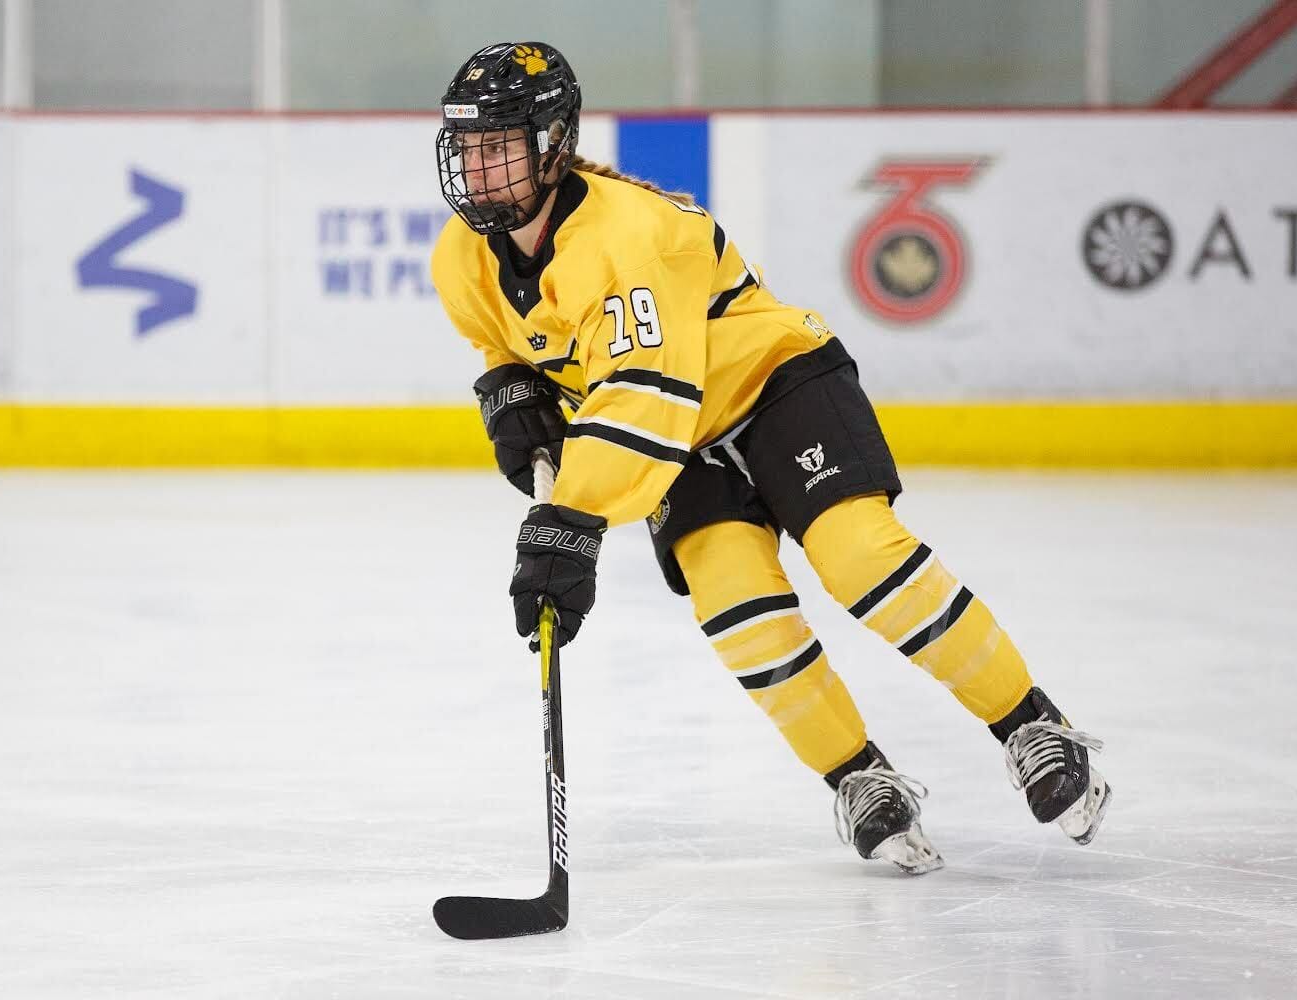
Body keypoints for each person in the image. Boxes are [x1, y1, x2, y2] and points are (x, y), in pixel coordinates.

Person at [429, 41, 1110, 875]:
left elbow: (643, 396)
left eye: (500, 145)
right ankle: (858, 776)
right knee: (737, 607)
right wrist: (512, 396)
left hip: (775, 386)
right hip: (680, 441)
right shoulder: (458, 258)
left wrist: (571, 521)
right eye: (468, 146)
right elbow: (504, 344)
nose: (479, 168)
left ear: (554, 143)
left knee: (859, 559)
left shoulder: (629, 235)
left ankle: (1030, 722)